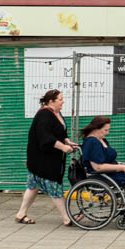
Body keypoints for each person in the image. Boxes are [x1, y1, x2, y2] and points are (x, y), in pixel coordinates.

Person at [15, 89, 78, 226]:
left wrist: (67, 141)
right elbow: (46, 137)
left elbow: (59, 132)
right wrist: (63, 147)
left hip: (47, 158)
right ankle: (67, 218)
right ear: (51, 101)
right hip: (43, 160)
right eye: (60, 99)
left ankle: (21, 214)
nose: (63, 102)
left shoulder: (56, 113)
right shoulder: (44, 115)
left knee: (33, 187)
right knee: (54, 187)